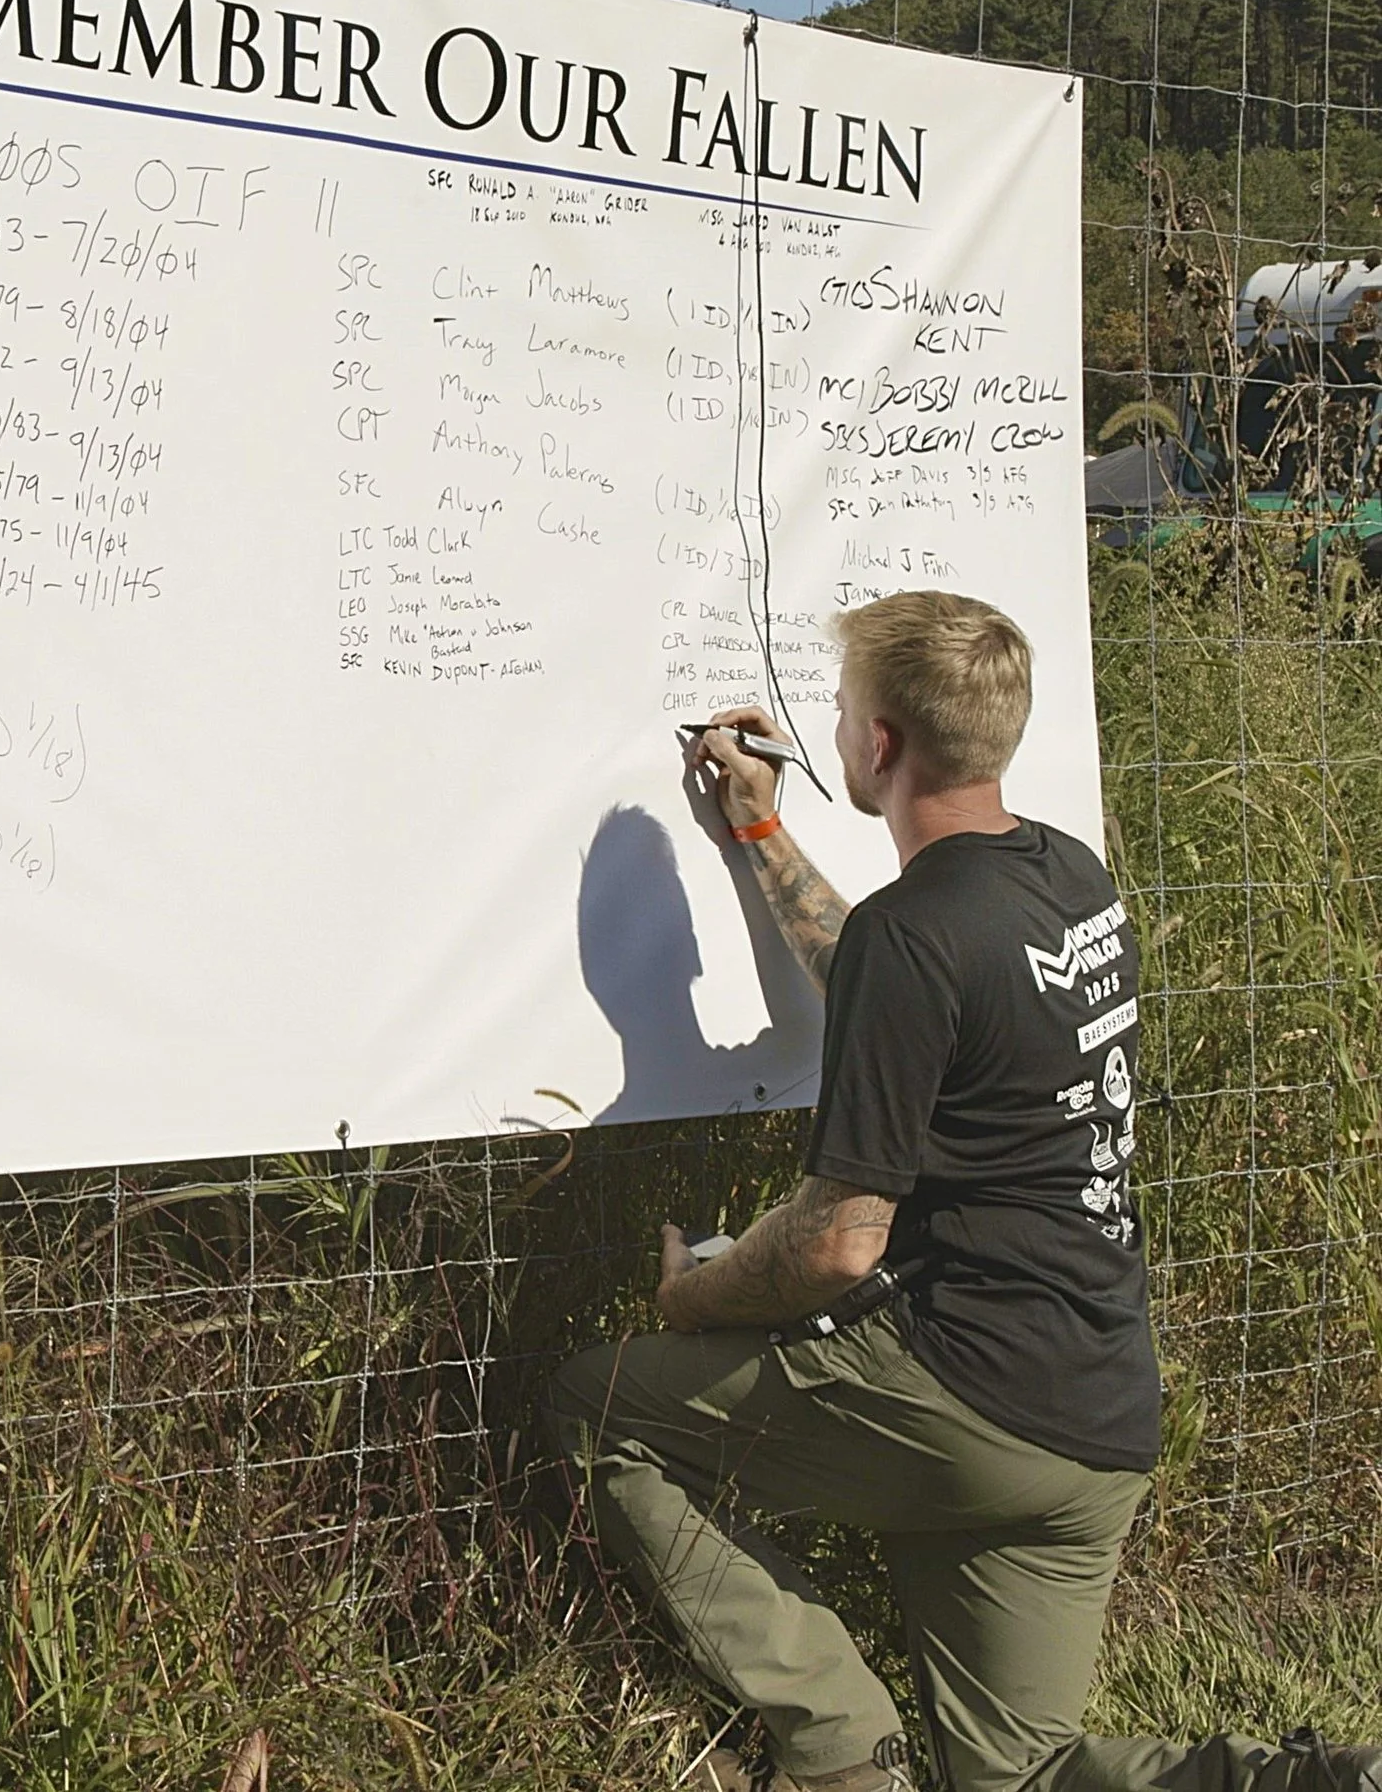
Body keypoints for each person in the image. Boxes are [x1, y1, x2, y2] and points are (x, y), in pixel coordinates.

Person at [548, 591, 1379, 1792]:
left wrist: (693, 1296)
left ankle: (839, 1751)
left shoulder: (916, 933)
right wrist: (761, 833)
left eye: (837, 712)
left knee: (602, 1405)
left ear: (878, 745)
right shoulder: (1065, 878)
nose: (829, 728)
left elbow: (836, 1247)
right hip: (1095, 1412)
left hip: (963, 1396)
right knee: (1021, 1775)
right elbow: (891, 977)